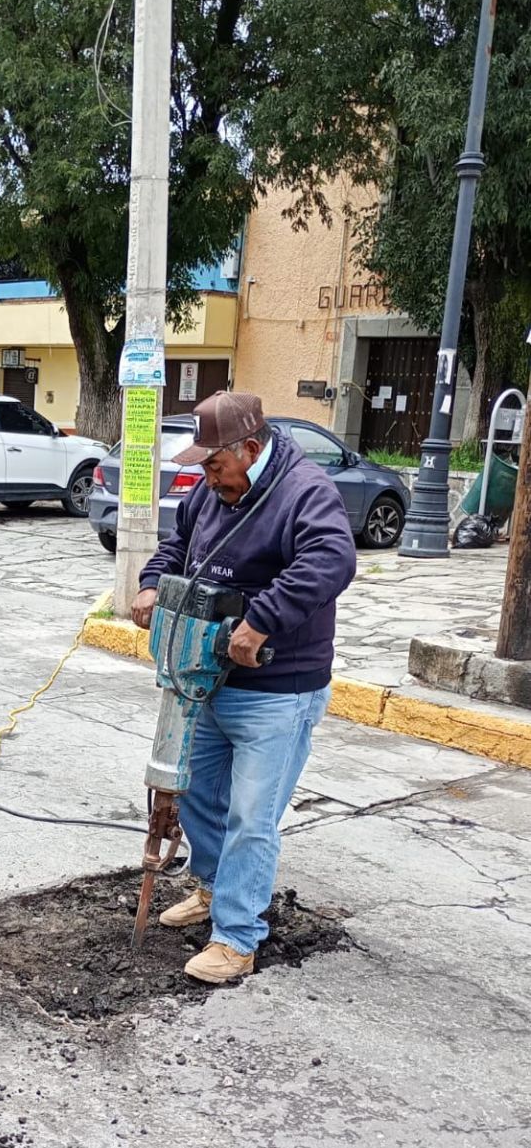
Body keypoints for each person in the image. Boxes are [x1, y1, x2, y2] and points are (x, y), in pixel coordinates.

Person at [132, 390, 357, 985]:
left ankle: (237, 937)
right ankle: (211, 888)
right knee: (201, 798)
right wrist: (154, 583)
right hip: (211, 679)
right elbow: (178, 545)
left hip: (279, 688)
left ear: (250, 450)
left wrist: (261, 621)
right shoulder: (210, 490)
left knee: (251, 817)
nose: (207, 477)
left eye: (214, 464)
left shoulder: (305, 491)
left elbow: (331, 560)